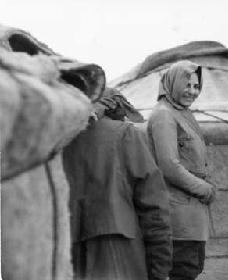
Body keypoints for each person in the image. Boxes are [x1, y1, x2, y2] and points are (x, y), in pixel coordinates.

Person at [63, 88, 172, 280]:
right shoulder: (126, 135)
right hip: (120, 257)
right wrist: (159, 269)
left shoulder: (54, 140)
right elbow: (154, 208)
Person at [148, 60, 216, 280]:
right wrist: (205, 189)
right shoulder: (164, 115)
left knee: (189, 269)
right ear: (173, 82)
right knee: (182, 271)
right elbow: (169, 165)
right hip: (177, 213)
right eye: (187, 85)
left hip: (190, 212)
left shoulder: (182, 114)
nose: (192, 91)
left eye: (196, 86)